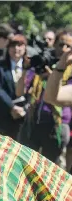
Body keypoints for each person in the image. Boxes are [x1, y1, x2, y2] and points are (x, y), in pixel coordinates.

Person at [17, 31, 72, 169]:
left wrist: (53, 76)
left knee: (49, 169)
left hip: (57, 124)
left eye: (68, 46)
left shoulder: (70, 69)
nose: (64, 49)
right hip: (34, 121)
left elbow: (58, 96)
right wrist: (25, 69)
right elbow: (19, 92)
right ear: (55, 45)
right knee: (25, 166)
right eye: (61, 44)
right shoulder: (42, 62)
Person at [0, 34, 27, 138]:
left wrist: (25, 108)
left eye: (20, 45)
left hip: (26, 115)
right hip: (5, 114)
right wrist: (12, 107)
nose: (16, 48)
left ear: (25, 47)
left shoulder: (31, 66)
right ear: (8, 48)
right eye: (13, 45)